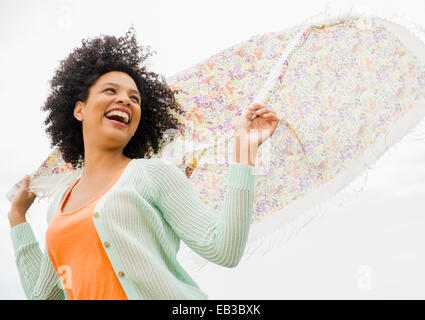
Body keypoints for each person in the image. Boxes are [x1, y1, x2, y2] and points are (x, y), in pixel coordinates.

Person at [8, 27, 279, 300]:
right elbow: (44, 297)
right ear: (79, 109)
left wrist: (245, 147)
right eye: (110, 90)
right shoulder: (58, 205)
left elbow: (225, 249)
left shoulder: (154, 175)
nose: (125, 99)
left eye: (134, 98)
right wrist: (17, 219)